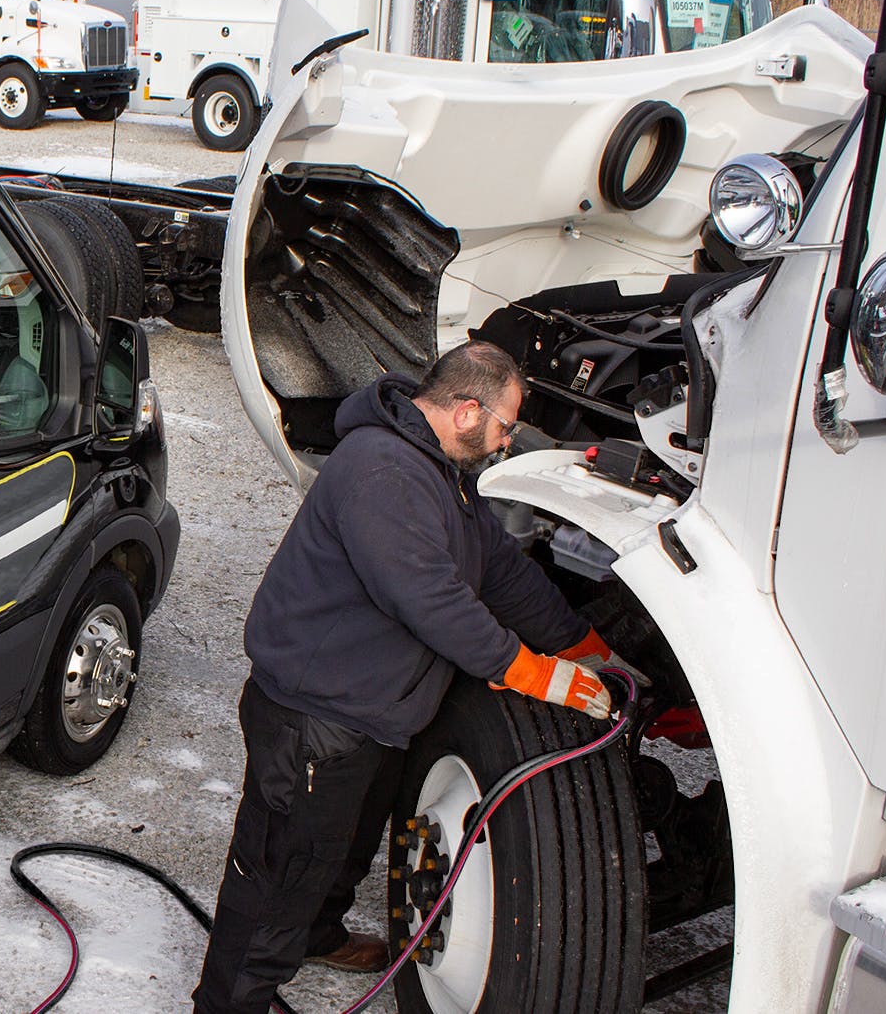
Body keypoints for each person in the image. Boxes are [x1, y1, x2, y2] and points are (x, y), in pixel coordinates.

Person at [193, 340, 641, 1014]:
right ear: (466, 412)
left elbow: (504, 573)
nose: (506, 439)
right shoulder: (382, 469)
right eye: (504, 424)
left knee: (342, 848)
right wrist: (529, 671)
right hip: (312, 721)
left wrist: (587, 648)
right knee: (279, 876)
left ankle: (316, 933)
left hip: (369, 715)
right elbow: (429, 597)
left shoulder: (444, 474)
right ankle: (228, 1003)